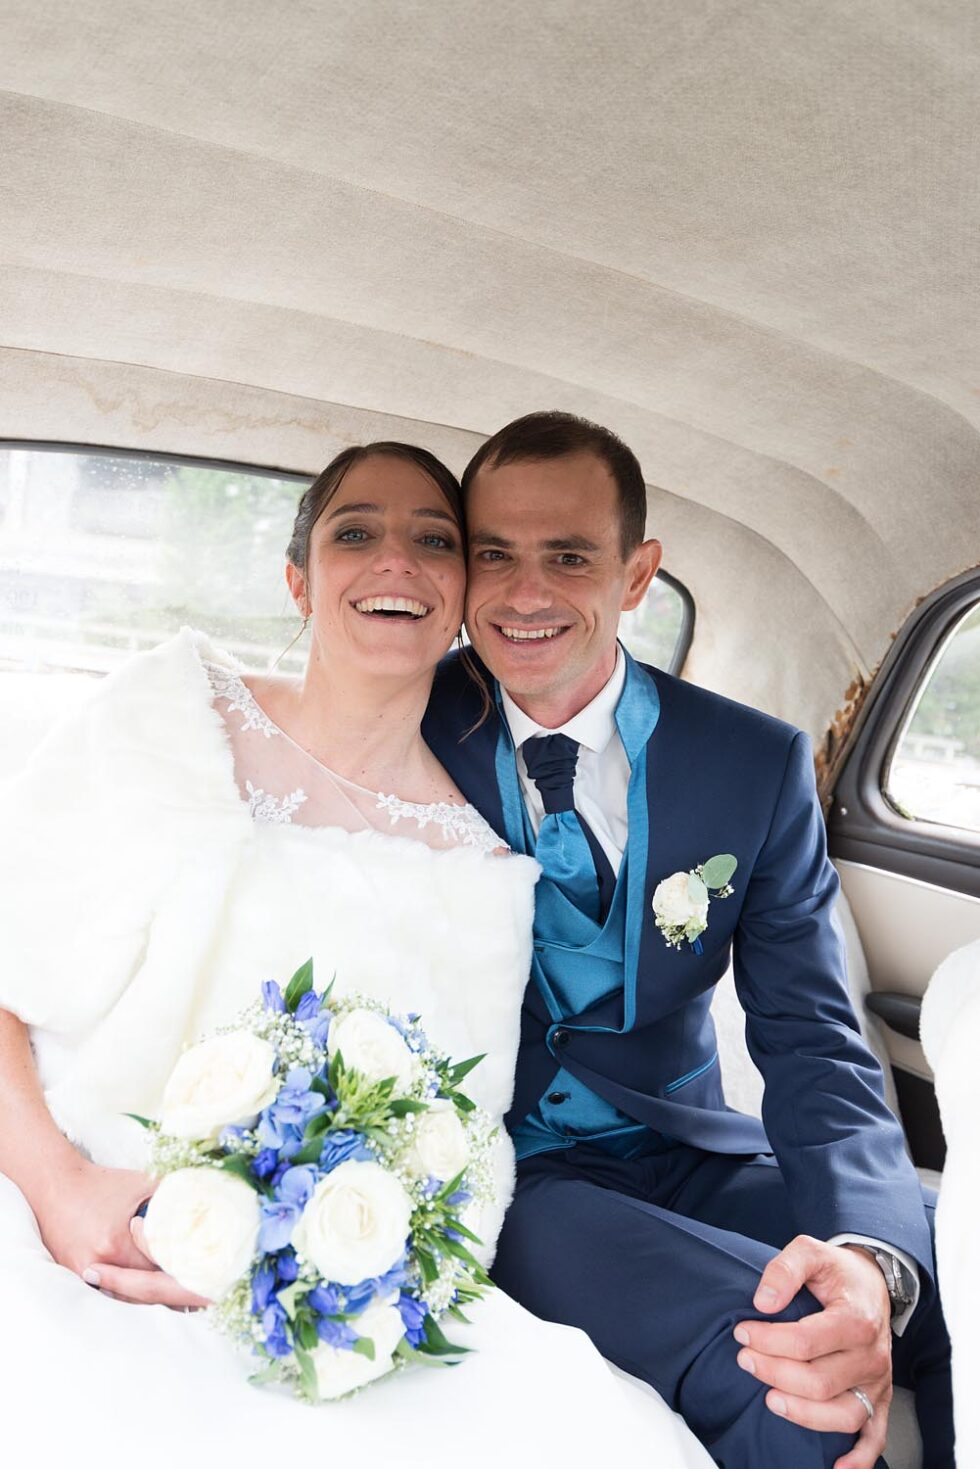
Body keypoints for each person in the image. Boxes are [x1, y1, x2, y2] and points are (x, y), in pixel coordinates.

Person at [0, 443, 710, 1469]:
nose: (396, 561)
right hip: (44, 1185)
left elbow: (456, 1151)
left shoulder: (483, 870)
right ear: (298, 578)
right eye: (354, 532)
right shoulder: (162, 717)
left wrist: (337, 1271)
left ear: (463, 593)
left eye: (432, 540)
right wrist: (62, 1190)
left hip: (296, 1268)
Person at [422, 411, 954, 1469]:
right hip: (514, 1176)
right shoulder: (404, 720)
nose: (524, 594)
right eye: (494, 555)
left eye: (567, 556)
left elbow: (812, 1035)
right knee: (777, 1370)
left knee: (948, 1266)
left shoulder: (750, 763)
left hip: (690, 1144)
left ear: (636, 574)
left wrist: (865, 1256)